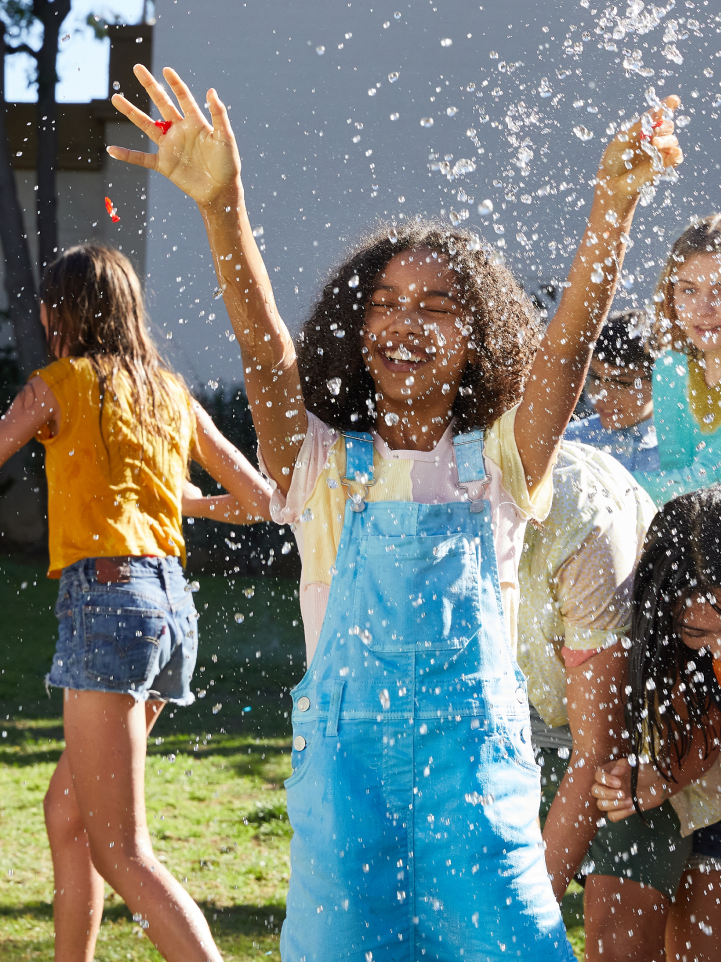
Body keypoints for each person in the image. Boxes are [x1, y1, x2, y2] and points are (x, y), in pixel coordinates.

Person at [108, 64, 682, 959]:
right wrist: (222, 208)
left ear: (480, 335)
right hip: (346, 811)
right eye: (384, 304)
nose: (404, 320)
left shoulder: (499, 467)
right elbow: (264, 353)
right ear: (352, 329)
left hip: (480, 811)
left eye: (436, 306)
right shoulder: (320, 468)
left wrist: (613, 205)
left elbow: (566, 344)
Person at [0, 245, 272, 962]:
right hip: (170, 608)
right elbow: (257, 501)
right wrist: (189, 503)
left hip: (107, 600)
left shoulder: (57, 383)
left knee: (122, 851)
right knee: (69, 816)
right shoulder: (168, 391)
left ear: (59, 313)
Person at [517, 441, 656, 902]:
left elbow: (600, 748)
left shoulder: (580, 519)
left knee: (618, 940)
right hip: (523, 723)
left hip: (640, 742)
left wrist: (523, 921)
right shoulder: (414, 490)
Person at [591, 488, 721, 962]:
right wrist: (662, 776)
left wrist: (669, 777)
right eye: (698, 634)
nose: (717, 649)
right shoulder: (662, 639)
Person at [633, 215, 721, 505]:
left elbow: (706, 477)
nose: (704, 308)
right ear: (671, 295)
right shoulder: (671, 368)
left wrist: (607, 484)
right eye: (689, 289)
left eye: (719, 290)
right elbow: (675, 478)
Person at [565, 310, 659, 472]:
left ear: (659, 379)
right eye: (595, 378)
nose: (602, 394)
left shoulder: (679, 446)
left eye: (622, 382)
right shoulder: (569, 441)